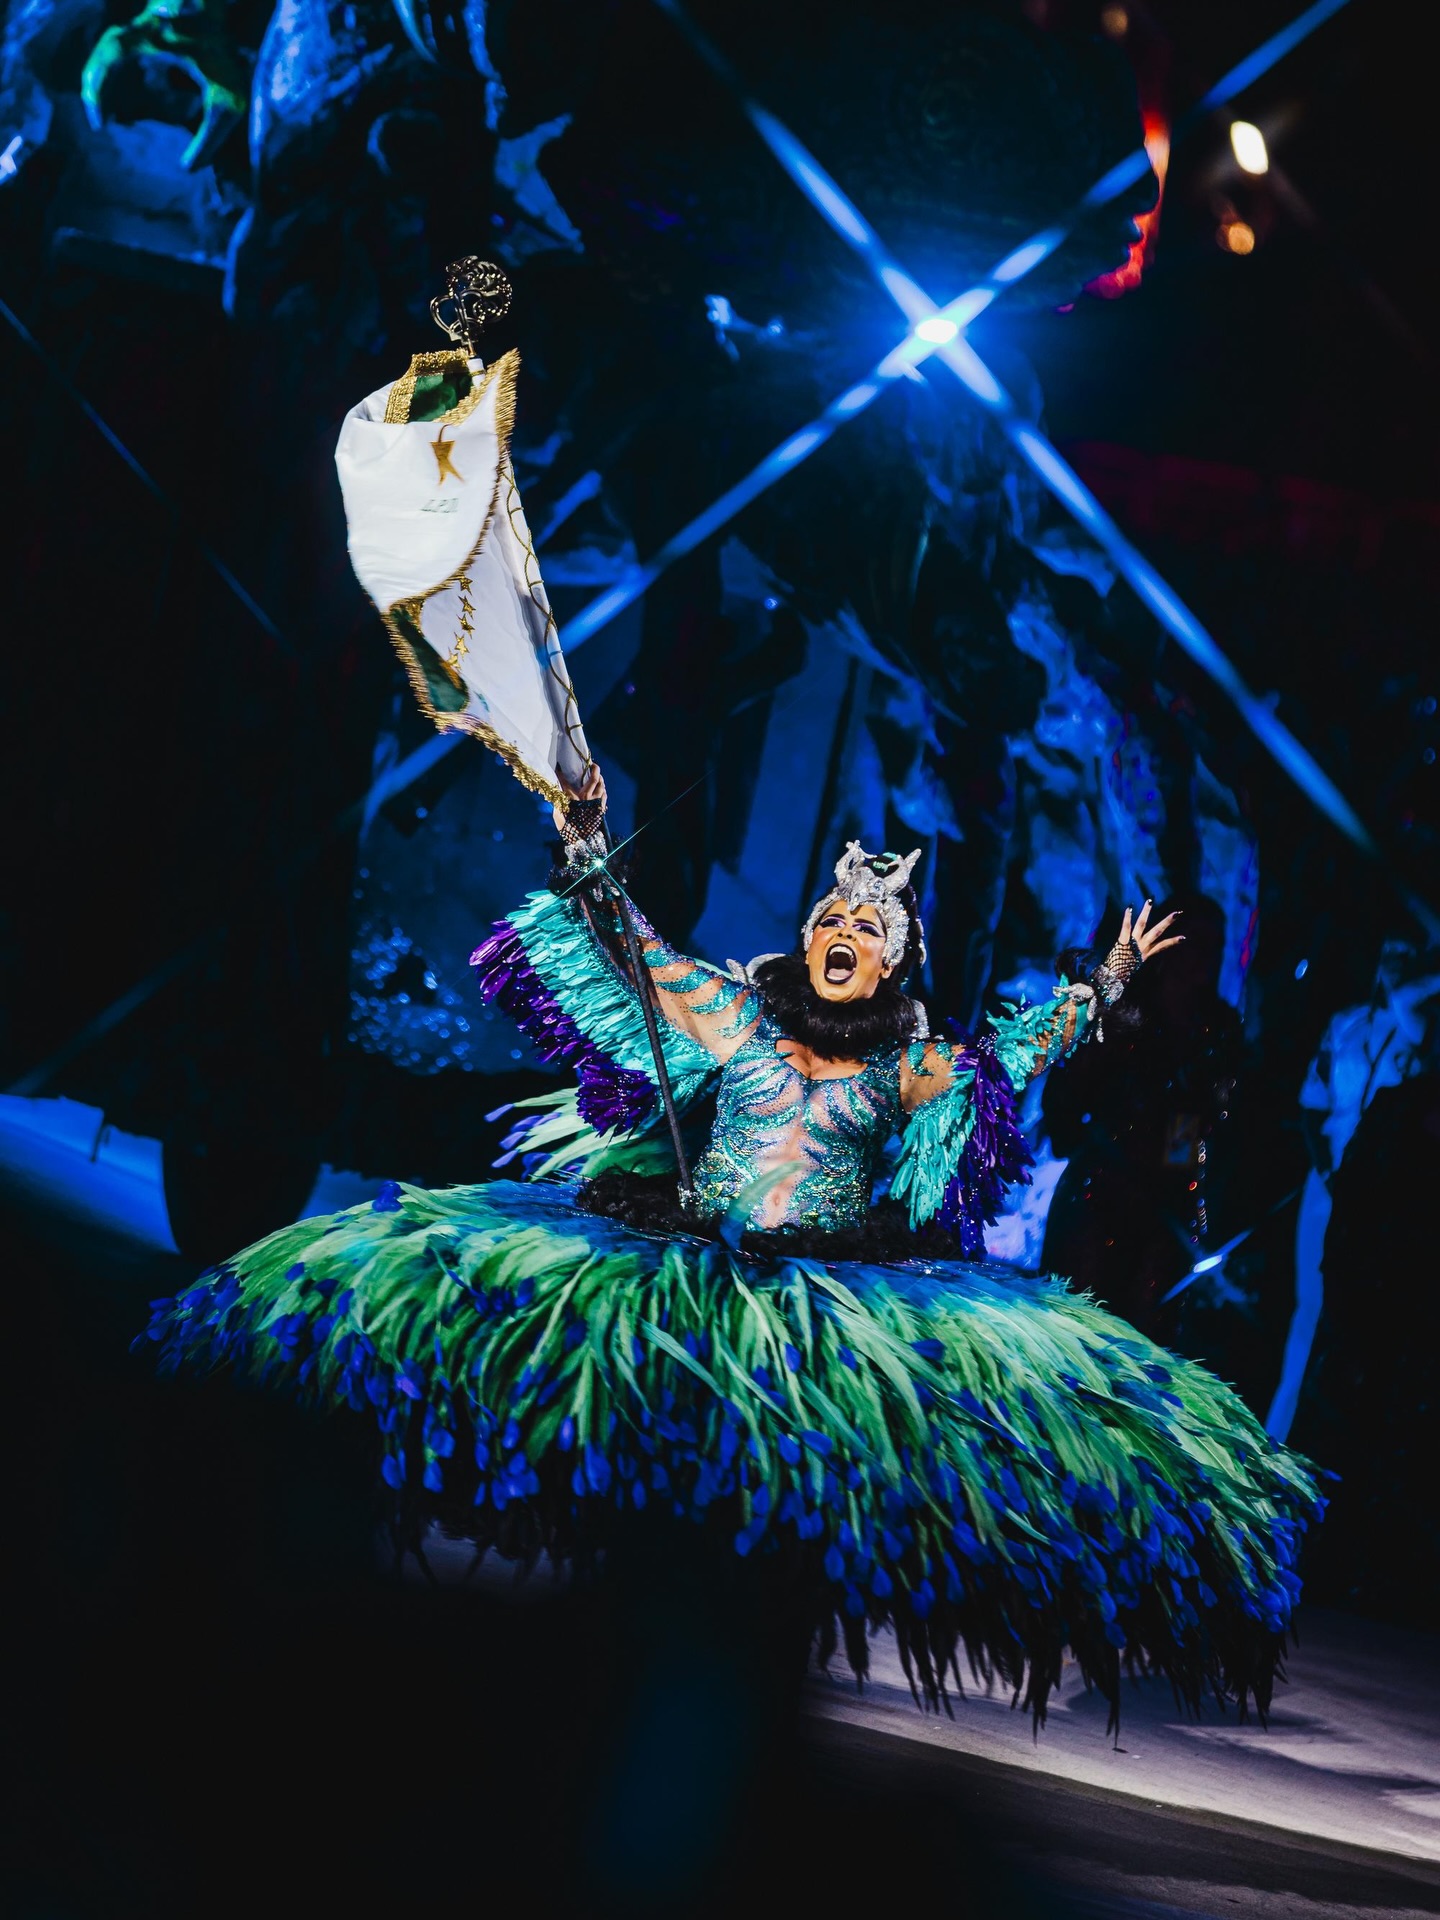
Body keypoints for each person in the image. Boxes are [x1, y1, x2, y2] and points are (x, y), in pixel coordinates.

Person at [147, 766, 1320, 1724]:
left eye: (868, 925)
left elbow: (1005, 1062)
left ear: (896, 958)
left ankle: (724, 1662)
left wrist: (1103, 985)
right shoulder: (737, 1012)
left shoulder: (909, 1064)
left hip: (820, 1299)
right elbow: (634, 949)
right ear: (808, 937)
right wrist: (585, 846)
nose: (844, 931)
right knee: (643, 1455)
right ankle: (613, 1646)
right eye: (832, 918)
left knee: (763, 1496)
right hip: (687, 1265)